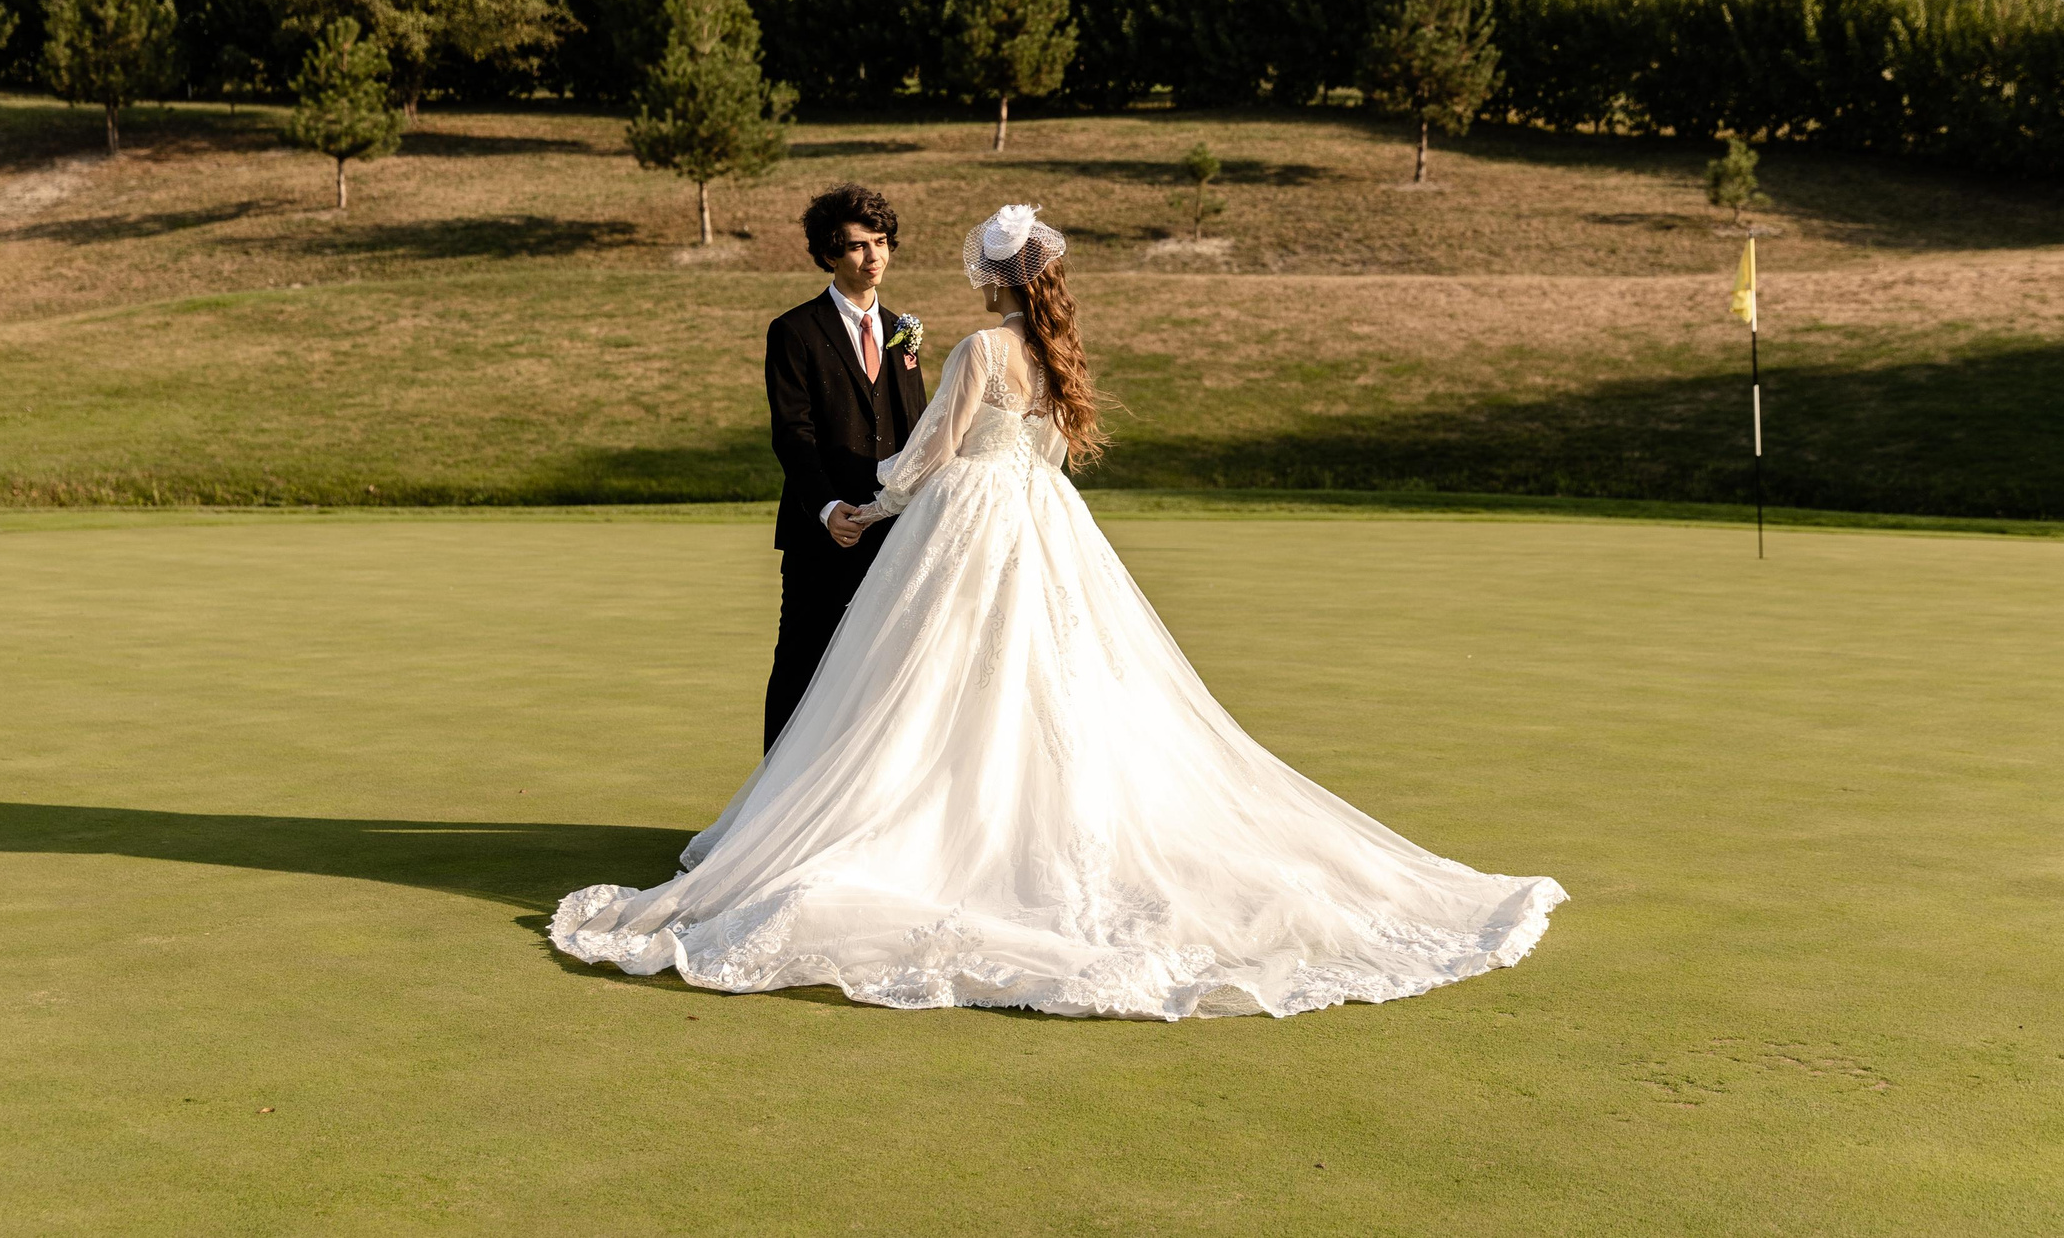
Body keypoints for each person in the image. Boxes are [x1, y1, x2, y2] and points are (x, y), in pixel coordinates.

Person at [553, 204, 1563, 1019]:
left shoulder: (978, 350)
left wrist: (872, 505)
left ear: (996, 278)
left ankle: (923, 832)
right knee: (1048, 678)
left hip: (968, 522)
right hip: (1042, 521)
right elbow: (1044, 456)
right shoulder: (1055, 351)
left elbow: (929, 454)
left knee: (931, 680)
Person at [759, 184, 929, 751]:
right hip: (821, 532)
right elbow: (793, 433)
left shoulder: (904, 329)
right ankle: (776, 797)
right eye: (858, 245)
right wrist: (828, 508)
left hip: (893, 530)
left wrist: (912, 508)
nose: (873, 256)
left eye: (881, 242)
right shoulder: (794, 331)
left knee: (883, 672)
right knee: (802, 663)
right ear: (830, 253)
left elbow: (916, 429)